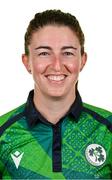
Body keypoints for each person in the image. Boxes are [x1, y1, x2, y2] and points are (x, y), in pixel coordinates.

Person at [0, 9, 112, 179]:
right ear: (27, 62)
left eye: (67, 53)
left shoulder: (108, 129)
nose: (57, 66)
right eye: (44, 53)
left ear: (82, 60)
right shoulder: (3, 133)